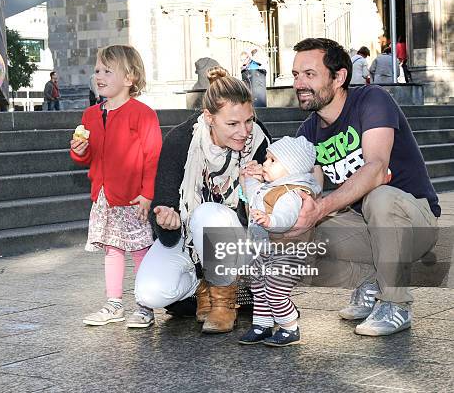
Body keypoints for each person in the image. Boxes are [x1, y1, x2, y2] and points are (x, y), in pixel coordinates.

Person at [290, 38, 440, 336]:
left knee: (378, 196)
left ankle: (396, 304)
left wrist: (321, 207)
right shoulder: (308, 131)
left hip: (414, 220)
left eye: (309, 74)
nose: (299, 83)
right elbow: (312, 188)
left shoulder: (371, 100)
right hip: (367, 227)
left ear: (339, 77)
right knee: (302, 227)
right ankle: (370, 281)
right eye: (295, 75)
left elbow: (376, 169)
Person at [134, 66, 272, 334]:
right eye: (232, 124)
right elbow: (164, 203)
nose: (244, 131)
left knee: (210, 213)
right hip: (188, 240)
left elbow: (271, 205)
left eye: (248, 120)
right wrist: (166, 219)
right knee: (150, 294)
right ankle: (204, 286)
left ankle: (223, 301)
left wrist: (256, 184)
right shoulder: (180, 140)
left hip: (242, 240)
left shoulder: (259, 140)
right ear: (209, 117)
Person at [70, 45, 163, 328]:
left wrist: (148, 193)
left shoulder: (142, 114)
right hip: (104, 196)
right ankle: (114, 304)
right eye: (97, 70)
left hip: (133, 197)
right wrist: (79, 149)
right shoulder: (90, 115)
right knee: (112, 248)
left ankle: (145, 304)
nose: (99, 75)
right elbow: (85, 156)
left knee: (139, 250)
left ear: (129, 78)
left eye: (107, 71)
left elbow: (153, 156)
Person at [237, 136, 321, 347]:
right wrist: (248, 178)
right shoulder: (273, 186)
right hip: (266, 252)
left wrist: (270, 221)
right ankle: (262, 324)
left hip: (288, 254)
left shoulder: (292, 192)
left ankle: (290, 327)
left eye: (272, 160)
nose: (265, 163)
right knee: (258, 285)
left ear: (291, 169)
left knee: (275, 289)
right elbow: (253, 194)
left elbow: (286, 219)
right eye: (267, 159)